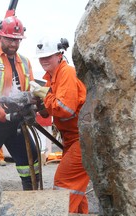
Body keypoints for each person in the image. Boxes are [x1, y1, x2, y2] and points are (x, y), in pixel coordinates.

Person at [0, 16, 39, 190]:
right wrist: (4, 115)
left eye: (17, 40)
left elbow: (30, 88)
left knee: (31, 159)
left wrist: (35, 102)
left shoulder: (25, 62)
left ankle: (32, 194)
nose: (14, 44)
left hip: (16, 120)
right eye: (10, 39)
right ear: (1, 37)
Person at [31, 37, 91, 213]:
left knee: (64, 183)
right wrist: (39, 105)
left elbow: (65, 109)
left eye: (48, 56)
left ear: (59, 55)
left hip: (83, 138)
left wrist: (46, 96)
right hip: (73, 139)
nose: (44, 60)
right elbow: (51, 108)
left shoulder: (67, 73)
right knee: (75, 187)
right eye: (41, 57)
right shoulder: (52, 77)